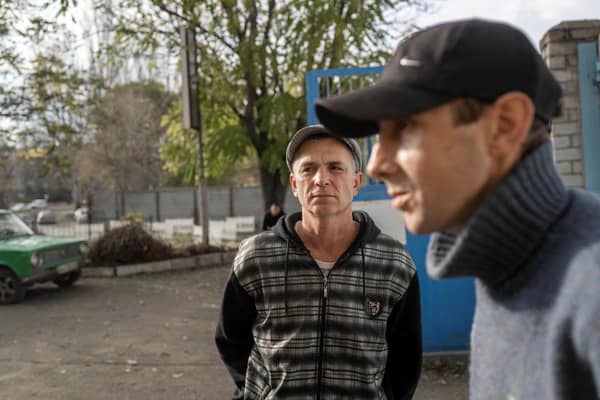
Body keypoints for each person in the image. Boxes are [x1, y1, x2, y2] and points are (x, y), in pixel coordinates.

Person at [315, 18, 600, 400]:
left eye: (407, 129)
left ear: (505, 124)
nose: (378, 164)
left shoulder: (589, 287)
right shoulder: (506, 267)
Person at [215, 125, 422, 399]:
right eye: (308, 169)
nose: (321, 179)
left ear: (356, 183)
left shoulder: (393, 263)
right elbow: (231, 339)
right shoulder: (257, 257)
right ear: (294, 184)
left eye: (336, 168)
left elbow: (405, 356)